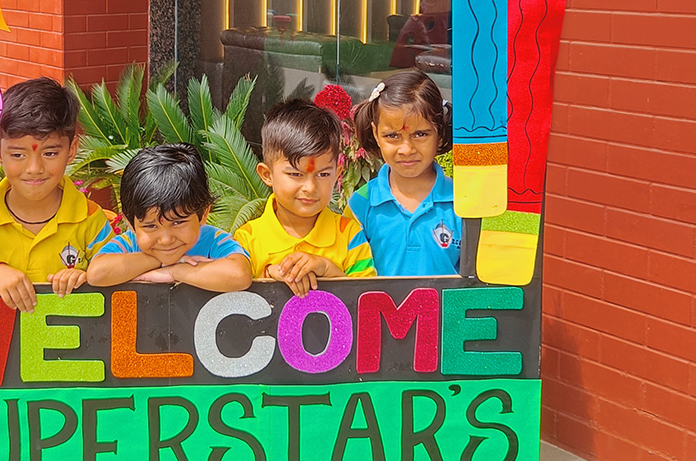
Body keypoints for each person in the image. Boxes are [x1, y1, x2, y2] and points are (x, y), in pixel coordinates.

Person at [0, 78, 113, 312]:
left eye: (50, 153)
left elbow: (115, 280)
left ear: (71, 150)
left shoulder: (90, 219)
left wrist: (88, 278)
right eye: (18, 155)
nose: (34, 168)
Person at [236, 98, 375, 295]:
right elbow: (235, 299)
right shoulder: (247, 239)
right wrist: (268, 275)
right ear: (267, 175)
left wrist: (327, 270)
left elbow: (365, 300)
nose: (310, 188)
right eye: (295, 174)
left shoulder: (350, 236)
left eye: (323, 174)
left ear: (337, 174)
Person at [87, 144, 252, 291]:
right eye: (150, 226)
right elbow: (97, 274)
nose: (166, 240)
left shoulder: (213, 240)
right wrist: (160, 261)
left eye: (177, 222)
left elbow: (240, 274)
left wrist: (174, 271)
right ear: (130, 223)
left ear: (203, 213)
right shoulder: (130, 244)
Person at [349, 69, 461, 275]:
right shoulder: (361, 204)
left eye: (420, 134)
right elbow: (349, 275)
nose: (406, 149)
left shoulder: (461, 202)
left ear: (440, 133)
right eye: (392, 136)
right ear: (375, 134)